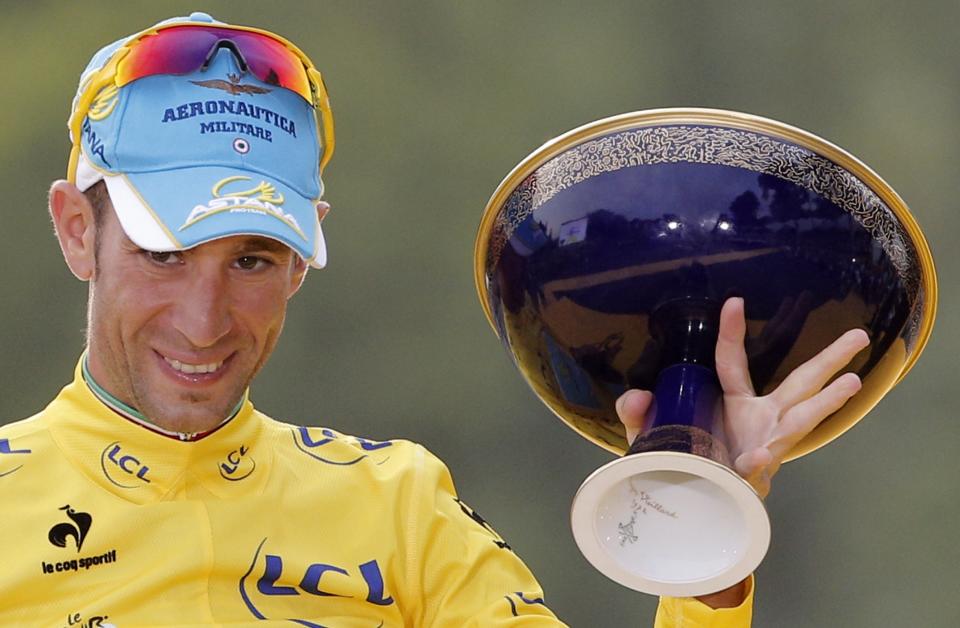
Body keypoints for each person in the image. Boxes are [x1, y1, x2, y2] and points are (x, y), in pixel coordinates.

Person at [0, 12, 868, 627]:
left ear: (304, 256)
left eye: (253, 260)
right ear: (77, 230)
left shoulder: (398, 504)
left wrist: (707, 517)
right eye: (163, 255)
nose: (203, 320)